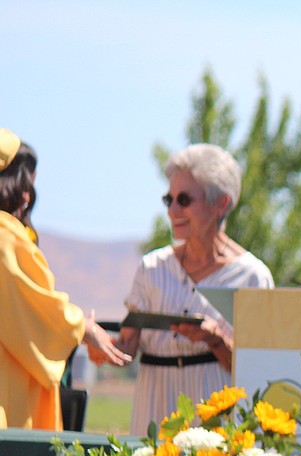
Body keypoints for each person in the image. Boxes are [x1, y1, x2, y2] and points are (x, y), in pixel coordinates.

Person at [93, 143, 273, 436]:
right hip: (153, 415)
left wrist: (216, 340)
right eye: (169, 199)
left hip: (217, 424)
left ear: (221, 203)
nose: (173, 210)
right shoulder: (151, 268)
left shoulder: (252, 277)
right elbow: (126, 348)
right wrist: (95, 340)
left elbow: (260, 369)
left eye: (185, 199)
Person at [0, 129, 129, 430]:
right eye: (28, 183)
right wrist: (82, 327)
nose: (30, 195)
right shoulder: (5, 239)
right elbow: (35, 311)